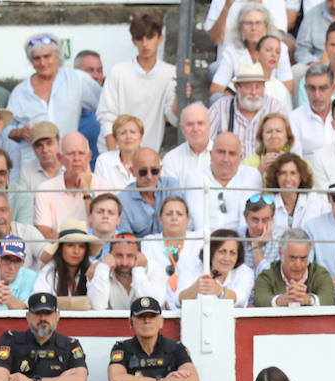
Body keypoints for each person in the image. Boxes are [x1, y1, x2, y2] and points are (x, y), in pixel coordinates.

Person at [95, 12, 176, 155]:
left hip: (147, 160)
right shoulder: (118, 71)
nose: (145, 44)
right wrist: (114, 158)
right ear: (134, 41)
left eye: (150, 37)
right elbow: (107, 117)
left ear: (160, 38)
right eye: (139, 38)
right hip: (113, 154)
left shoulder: (170, 73)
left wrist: (180, 92)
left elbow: (174, 118)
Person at [108, 294, 199, 381]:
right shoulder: (122, 348)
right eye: (141, 317)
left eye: (152, 316)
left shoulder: (176, 347)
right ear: (130, 322)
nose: (147, 321)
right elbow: (116, 379)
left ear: (161, 321)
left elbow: (192, 379)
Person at [0, 291, 87, 381]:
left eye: (48, 313)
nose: (43, 318)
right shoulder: (10, 340)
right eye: (37, 313)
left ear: (57, 316)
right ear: (28, 316)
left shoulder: (70, 345)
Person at [185, 131, 262, 235]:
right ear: (211, 154)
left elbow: (246, 222)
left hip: (238, 246)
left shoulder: (251, 175)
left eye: (232, 154)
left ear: (240, 158)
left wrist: (234, 248)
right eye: (221, 152)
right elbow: (199, 222)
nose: (226, 159)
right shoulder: (195, 177)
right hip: (203, 245)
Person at [253, 227, 335, 307]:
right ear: (280, 253)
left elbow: (330, 299)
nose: (298, 264)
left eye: (303, 258)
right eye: (293, 258)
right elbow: (259, 299)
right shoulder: (268, 275)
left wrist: (308, 300)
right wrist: (281, 300)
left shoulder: (319, 274)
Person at [176, 227, 253, 306]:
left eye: (232, 253)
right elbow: (178, 301)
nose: (227, 258)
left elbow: (241, 299)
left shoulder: (245, 272)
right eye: (222, 252)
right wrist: (195, 289)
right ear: (211, 252)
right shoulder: (191, 268)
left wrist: (219, 291)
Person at [33, 219, 98, 306]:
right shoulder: (49, 271)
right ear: (60, 248)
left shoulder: (94, 268)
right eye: (70, 245)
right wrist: (78, 303)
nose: (76, 251)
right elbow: (39, 300)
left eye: (81, 246)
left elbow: (98, 304)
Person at [267, 151, 322, 236]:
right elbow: (267, 234)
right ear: (276, 176)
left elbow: (308, 232)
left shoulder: (312, 198)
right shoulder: (268, 200)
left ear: (301, 177)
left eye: (293, 173)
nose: (288, 179)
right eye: (283, 173)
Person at [162, 103, 212, 182]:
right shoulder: (171, 159)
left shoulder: (224, 156)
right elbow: (172, 194)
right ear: (182, 128)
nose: (195, 129)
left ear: (210, 126)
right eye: (190, 124)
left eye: (200, 123)